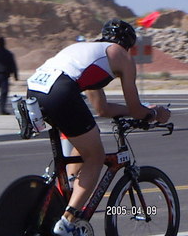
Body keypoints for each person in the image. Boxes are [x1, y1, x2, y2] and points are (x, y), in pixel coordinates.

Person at [27, 18, 171, 236]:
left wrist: (130, 111)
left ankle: (69, 192)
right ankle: (67, 224)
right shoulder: (121, 55)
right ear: (128, 45)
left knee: (83, 140)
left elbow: (101, 108)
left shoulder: (90, 51)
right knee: (95, 156)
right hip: (60, 91)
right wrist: (155, 113)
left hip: (35, 91)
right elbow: (135, 108)